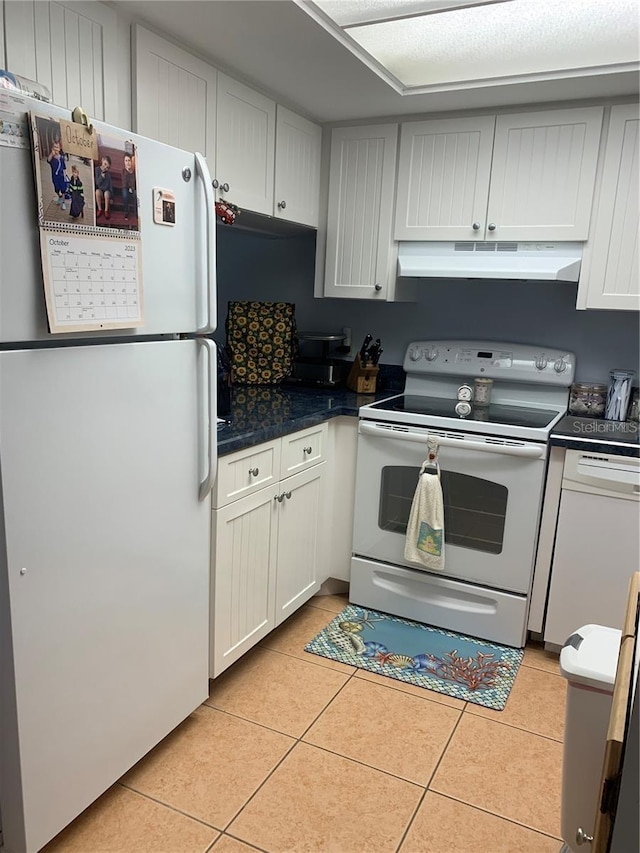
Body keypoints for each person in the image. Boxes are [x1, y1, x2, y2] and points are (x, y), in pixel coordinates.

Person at [47, 137, 67, 210]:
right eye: (54, 147)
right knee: (56, 189)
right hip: (55, 177)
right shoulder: (52, 157)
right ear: (52, 148)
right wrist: (51, 154)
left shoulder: (61, 158)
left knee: (63, 190)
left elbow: (64, 167)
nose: (56, 148)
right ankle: (60, 197)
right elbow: (48, 160)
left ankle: (63, 203)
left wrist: (65, 176)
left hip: (61, 177)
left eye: (57, 147)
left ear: (59, 148)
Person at [94, 155, 112, 220]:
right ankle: (99, 209)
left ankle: (106, 210)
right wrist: (101, 177)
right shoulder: (97, 170)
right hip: (100, 190)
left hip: (106, 191)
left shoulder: (108, 174)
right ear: (102, 160)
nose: (105, 167)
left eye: (107, 167)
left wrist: (111, 197)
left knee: (107, 193)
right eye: (104, 164)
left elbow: (110, 185)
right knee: (97, 192)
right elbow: (97, 183)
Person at [121, 152, 137, 222]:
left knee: (135, 195)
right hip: (125, 188)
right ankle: (126, 212)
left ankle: (136, 212)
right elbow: (124, 182)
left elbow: (134, 182)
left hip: (132, 188)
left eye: (129, 160)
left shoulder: (133, 172)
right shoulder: (123, 171)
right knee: (125, 195)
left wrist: (131, 188)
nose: (128, 162)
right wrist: (128, 171)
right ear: (124, 162)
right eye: (126, 161)